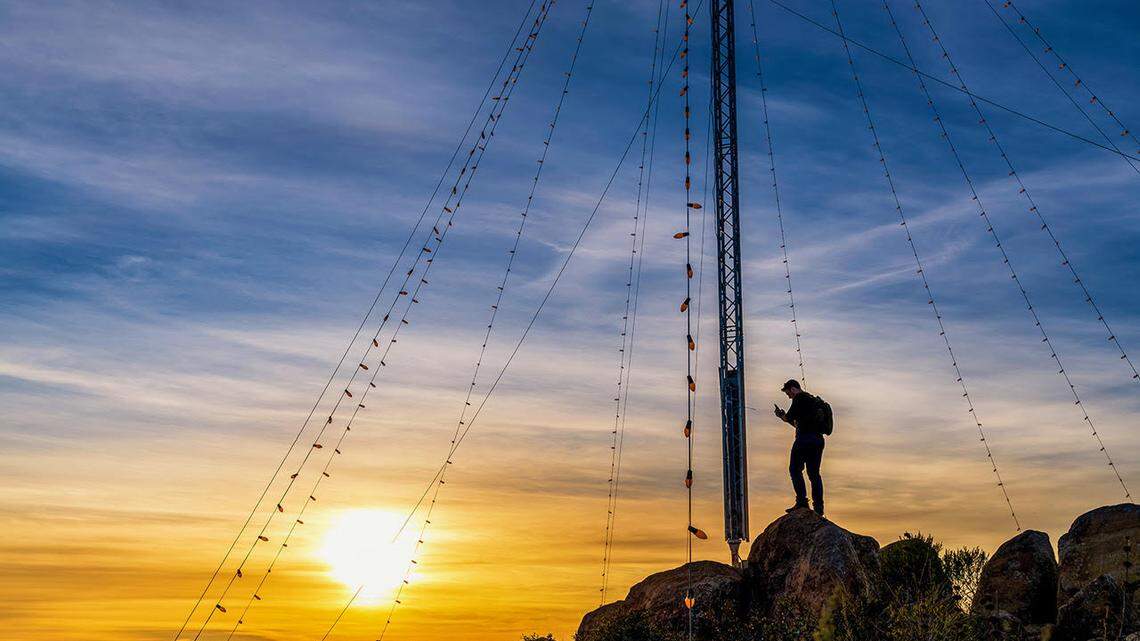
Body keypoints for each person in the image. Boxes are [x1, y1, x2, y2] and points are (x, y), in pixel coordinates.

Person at [773, 379, 826, 517]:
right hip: (818, 440)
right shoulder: (812, 400)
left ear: (793, 388)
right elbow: (798, 424)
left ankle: (802, 502)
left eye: (788, 393)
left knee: (795, 469)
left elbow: (789, 417)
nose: (789, 396)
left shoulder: (799, 398)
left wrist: (781, 415)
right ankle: (819, 508)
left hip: (804, 440)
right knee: (814, 474)